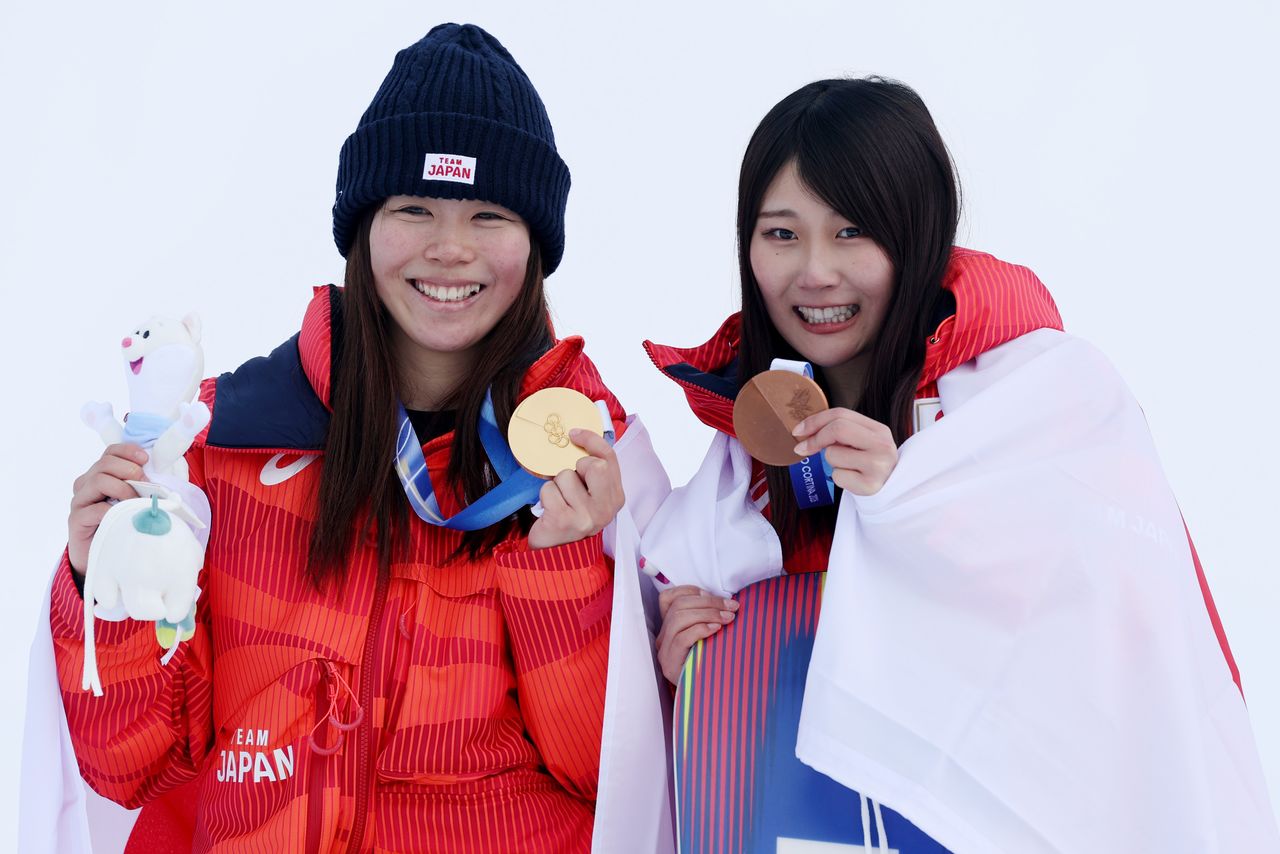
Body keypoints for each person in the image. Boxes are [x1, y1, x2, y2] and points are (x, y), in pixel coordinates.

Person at [641, 78, 1279, 852]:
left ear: (919, 234)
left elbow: (1111, 616)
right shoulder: (751, 435)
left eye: (852, 232)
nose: (814, 271)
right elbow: (721, 621)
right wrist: (685, 657)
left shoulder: (1042, 394)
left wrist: (912, 503)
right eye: (781, 234)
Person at [49, 24, 632, 853]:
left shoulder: (590, 457)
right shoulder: (219, 446)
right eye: (414, 208)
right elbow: (132, 769)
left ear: (536, 241)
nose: (450, 248)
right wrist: (104, 582)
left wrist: (564, 563)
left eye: (489, 214)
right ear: (362, 228)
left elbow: (611, 782)